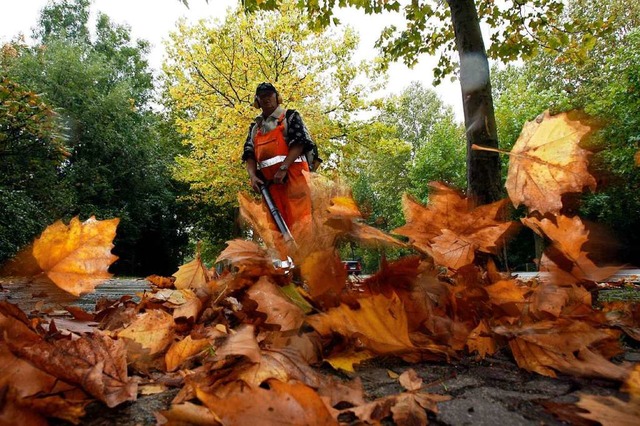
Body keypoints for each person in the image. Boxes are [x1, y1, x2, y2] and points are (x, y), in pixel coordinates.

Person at [242, 82, 318, 233]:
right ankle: (285, 257)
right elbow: (249, 153)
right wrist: (252, 176)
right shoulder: (255, 128)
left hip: (295, 180)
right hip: (270, 186)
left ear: (277, 97)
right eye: (262, 96)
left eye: (269, 95)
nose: (266, 99)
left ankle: (305, 256)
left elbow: (299, 143)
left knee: (301, 223)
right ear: (257, 102)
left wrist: (283, 168)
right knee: (276, 228)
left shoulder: (289, 116)